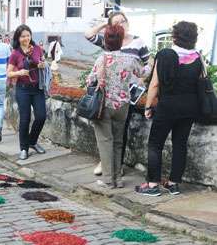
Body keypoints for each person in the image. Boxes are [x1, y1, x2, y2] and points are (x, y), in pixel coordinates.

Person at [136, 21, 202, 196]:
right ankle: (173, 184)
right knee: (180, 144)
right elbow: (201, 83)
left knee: (155, 144)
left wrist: (148, 106)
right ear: (193, 38)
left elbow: (155, 84)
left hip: (168, 106)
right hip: (190, 107)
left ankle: (152, 185)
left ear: (175, 36)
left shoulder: (165, 54)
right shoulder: (198, 57)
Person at [85, 11, 150, 176]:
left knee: (118, 133)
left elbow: (148, 63)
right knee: (108, 135)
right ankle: (108, 165)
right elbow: (89, 35)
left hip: (128, 94)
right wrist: (104, 25)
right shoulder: (109, 40)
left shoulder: (138, 42)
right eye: (116, 22)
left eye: (123, 21)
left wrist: (141, 79)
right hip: (108, 96)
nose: (121, 24)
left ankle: (116, 167)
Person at [8, 24, 47, 160]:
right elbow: (8, 73)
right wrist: (19, 72)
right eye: (23, 36)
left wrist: (42, 64)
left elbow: (41, 62)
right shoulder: (15, 53)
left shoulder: (37, 49)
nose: (26, 38)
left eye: (28, 35)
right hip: (23, 89)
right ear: (18, 38)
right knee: (25, 119)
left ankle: (32, 141)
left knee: (41, 116)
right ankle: (24, 148)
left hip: (37, 89)